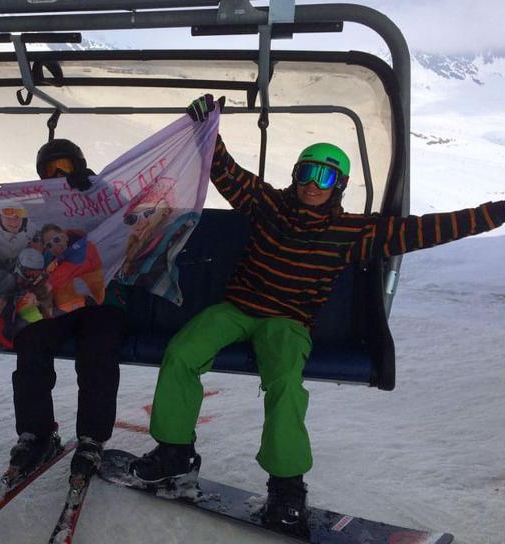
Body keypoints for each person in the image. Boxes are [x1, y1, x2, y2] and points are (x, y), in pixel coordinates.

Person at [129, 95, 505, 536]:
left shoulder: (354, 232)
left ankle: (286, 484)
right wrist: (205, 128)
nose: (312, 183)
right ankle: (175, 452)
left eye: (324, 176)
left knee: (285, 383)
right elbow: (226, 172)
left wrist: (495, 214)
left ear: (339, 184)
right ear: (295, 175)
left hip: (287, 321)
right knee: (182, 352)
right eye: (306, 172)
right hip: (238, 308)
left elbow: (427, 229)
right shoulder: (268, 205)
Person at [6, 139, 128, 485]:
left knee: (98, 348)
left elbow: (126, 218)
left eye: (66, 167)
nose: (60, 175)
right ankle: (36, 432)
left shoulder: (101, 195)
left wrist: (92, 187)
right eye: (51, 171)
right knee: (30, 337)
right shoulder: (39, 209)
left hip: (99, 299)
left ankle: (92, 437)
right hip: (57, 301)